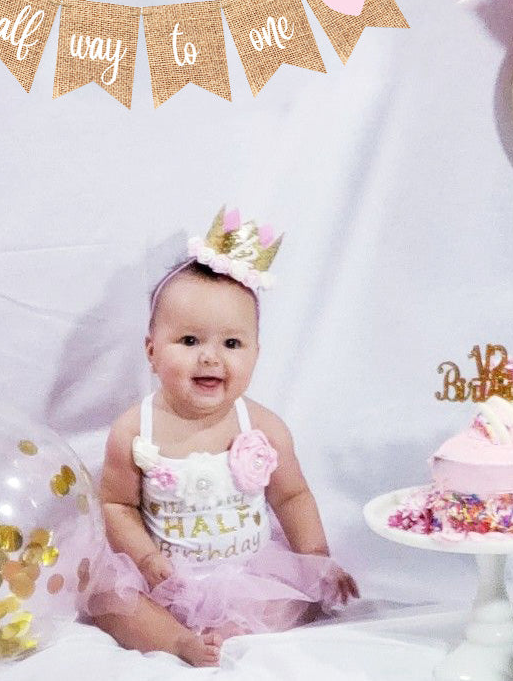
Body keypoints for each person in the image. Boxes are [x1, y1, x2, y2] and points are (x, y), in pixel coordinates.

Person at [85, 208, 359, 667]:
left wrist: (316, 559)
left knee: (295, 597)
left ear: (256, 353)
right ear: (152, 351)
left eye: (232, 344)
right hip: (166, 573)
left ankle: (234, 632)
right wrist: (148, 560)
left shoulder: (263, 426)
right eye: (189, 341)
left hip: (247, 570)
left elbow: (291, 497)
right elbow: (116, 506)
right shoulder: (134, 429)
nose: (210, 358)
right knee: (113, 601)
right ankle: (177, 642)